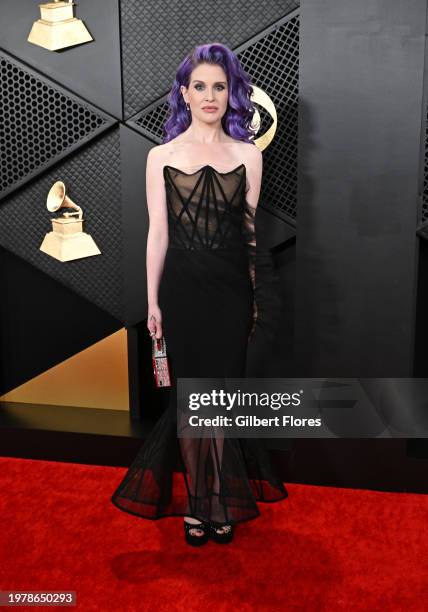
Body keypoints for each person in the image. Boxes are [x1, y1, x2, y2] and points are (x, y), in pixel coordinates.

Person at [111, 42, 288, 546]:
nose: (210, 95)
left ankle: (217, 500)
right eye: (201, 86)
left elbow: (250, 235)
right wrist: (152, 303)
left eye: (220, 86)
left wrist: (256, 298)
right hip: (183, 294)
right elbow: (158, 234)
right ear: (184, 94)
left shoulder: (249, 156)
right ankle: (198, 503)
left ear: (230, 93)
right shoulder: (160, 156)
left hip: (231, 294)